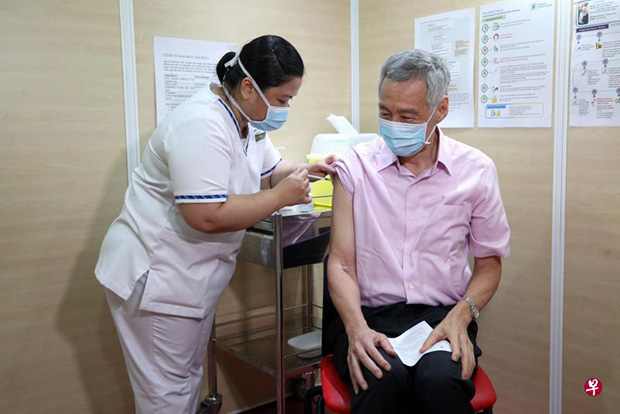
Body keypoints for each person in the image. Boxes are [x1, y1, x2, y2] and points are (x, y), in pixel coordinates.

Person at [95, 35, 335, 414]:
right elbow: (205, 214)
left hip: (185, 280)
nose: (285, 108)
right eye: (283, 99)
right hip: (157, 277)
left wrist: (308, 171)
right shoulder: (201, 123)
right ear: (247, 86)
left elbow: (270, 173)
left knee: (183, 381)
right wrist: (280, 197)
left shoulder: (247, 120)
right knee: (166, 395)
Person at [326, 49, 510, 414]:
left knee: (440, 381)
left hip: (444, 315)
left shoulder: (476, 171)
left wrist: (461, 316)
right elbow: (341, 263)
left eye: (407, 116)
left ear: (440, 110)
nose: (393, 123)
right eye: (384, 112)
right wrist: (356, 329)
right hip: (369, 315)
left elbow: (489, 263)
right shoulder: (354, 167)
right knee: (382, 377)